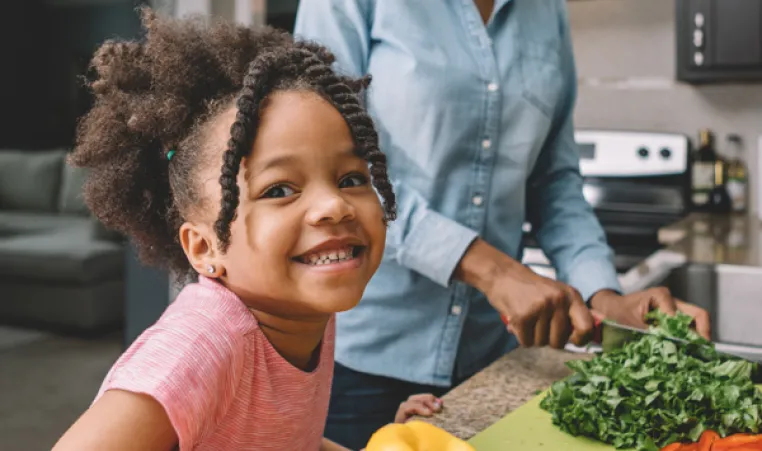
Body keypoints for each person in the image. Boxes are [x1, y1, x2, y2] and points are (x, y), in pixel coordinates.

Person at [294, 1, 712, 449]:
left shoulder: (546, 10)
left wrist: (604, 296)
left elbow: (554, 180)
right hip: (363, 359)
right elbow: (335, 170)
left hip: (491, 356)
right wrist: (494, 270)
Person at [53, 8, 440, 451]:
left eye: (351, 179)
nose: (334, 206)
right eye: (279, 189)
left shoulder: (302, 310)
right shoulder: (202, 344)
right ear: (204, 247)